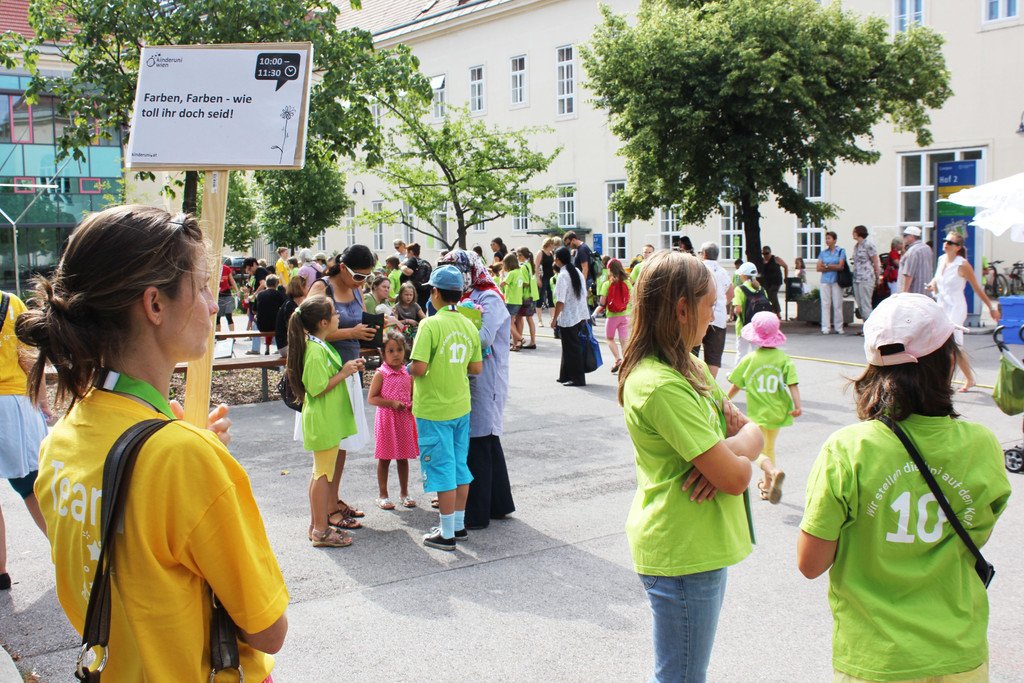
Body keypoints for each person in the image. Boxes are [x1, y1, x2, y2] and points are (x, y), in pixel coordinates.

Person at [16, 205, 288, 678]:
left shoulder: (62, 436)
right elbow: (268, 630)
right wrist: (202, 462)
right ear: (155, 305)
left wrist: (188, 451)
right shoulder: (182, 458)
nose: (211, 304)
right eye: (200, 287)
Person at [797, 293, 1011, 683]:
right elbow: (977, 531)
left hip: (877, 658)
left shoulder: (848, 449)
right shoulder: (982, 445)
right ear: (949, 361)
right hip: (959, 651)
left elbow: (811, 564)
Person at [619, 250, 763, 683]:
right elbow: (735, 477)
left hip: (697, 544)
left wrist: (727, 448)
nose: (717, 316)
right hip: (683, 549)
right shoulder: (661, 384)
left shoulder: (690, 364)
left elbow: (753, 432)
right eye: (711, 305)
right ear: (682, 309)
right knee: (681, 677)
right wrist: (730, 457)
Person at [439, 250, 516, 530]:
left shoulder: (489, 298)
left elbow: (484, 338)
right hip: (468, 377)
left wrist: (452, 327)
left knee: (480, 439)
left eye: (455, 270)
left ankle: (476, 510)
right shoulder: (465, 297)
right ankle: (498, 503)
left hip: (487, 378)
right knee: (485, 441)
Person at [409, 265, 484, 550]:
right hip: (460, 405)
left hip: (434, 408)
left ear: (435, 293)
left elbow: (419, 367)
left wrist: (405, 368)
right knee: (459, 466)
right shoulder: (468, 324)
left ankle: (447, 533)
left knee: (441, 468)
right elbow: (476, 367)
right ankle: (458, 525)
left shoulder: (429, 324)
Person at [306, 245, 380, 528]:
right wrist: (351, 332)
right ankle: (325, 511)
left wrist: (374, 330)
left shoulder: (357, 290)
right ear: (342, 268)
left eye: (366, 277)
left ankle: (333, 499)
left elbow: (360, 324)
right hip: (328, 373)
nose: (362, 282)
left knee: (343, 443)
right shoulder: (321, 287)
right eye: (358, 276)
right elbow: (307, 329)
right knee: (330, 445)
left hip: (350, 369)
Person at [286, 296, 364, 547]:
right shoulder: (316, 350)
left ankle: (316, 525)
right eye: (334, 313)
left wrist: (348, 368)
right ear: (323, 322)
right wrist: (344, 372)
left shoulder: (318, 345)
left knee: (320, 473)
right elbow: (317, 388)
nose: (339, 316)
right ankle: (321, 530)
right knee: (322, 475)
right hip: (324, 420)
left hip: (327, 420)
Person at [1, 290, 49, 591]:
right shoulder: (9, 304)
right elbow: (29, 359)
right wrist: (42, 401)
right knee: (30, 484)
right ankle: (65, 550)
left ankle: (0, 572)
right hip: (13, 405)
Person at [726, 312, 800, 504]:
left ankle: (773, 472)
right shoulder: (783, 359)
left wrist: (725, 400)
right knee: (769, 447)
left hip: (757, 414)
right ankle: (767, 485)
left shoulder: (750, 359)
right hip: (777, 412)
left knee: (756, 451)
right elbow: (792, 383)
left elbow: (737, 384)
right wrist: (797, 406)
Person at [927, 229, 1001, 393]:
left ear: (958, 247)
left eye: (950, 242)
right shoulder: (941, 259)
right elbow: (937, 278)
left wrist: (991, 308)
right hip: (942, 306)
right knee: (954, 347)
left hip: (956, 308)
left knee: (951, 346)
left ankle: (944, 384)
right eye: (945, 241)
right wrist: (933, 284)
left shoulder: (963, 265)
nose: (946, 244)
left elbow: (977, 288)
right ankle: (969, 379)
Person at [367, 331, 419, 510]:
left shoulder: (408, 373)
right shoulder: (381, 374)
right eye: (390, 351)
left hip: (404, 420)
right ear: (383, 353)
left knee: (403, 458)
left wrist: (412, 404)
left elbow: (413, 395)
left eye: (399, 350)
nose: (396, 354)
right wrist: (391, 403)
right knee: (385, 458)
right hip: (387, 421)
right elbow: (372, 398)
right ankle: (383, 495)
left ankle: (404, 493)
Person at [550, 246, 590, 387]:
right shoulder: (576, 271)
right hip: (579, 314)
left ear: (558, 260)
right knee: (569, 347)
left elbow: (560, 301)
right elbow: (584, 294)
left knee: (571, 348)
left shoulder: (562, 275)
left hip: (568, 316)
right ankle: (565, 375)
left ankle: (577, 378)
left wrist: (554, 318)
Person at [695, 242, 733, 378]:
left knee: (692, 352)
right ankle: (710, 385)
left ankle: (693, 383)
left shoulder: (697, 269)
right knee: (714, 356)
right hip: (719, 319)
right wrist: (720, 305)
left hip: (697, 317)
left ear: (704, 254)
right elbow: (731, 293)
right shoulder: (723, 271)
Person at [595, 258, 632, 373]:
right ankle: (627, 362)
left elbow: (602, 302)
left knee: (610, 338)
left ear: (609, 269)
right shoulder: (627, 282)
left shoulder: (607, 284)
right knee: (624, 340)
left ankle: (617, 359)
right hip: (625, 315)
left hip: (612, 315)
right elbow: (632, 297)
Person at [731, 262, 765, 365]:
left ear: (743, 275)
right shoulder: (761, 289)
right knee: (757, 354)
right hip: (758, 328)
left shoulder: (739, 289)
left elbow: (738, 309)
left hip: (743, 327)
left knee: (741, 354)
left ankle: (738, 374)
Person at [816, 231, 847, 335]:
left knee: (837, 304)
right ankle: (825, 326)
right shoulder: (823, 253)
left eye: (829, 238)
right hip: (825, 280)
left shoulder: (840, 251)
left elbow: (840, 266)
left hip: (836, 280)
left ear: (834, 240)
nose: (827, 240)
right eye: (826, 238)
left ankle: (839, 327)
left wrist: (826, 266)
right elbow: (818, 267)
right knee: (825, 304)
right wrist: (833, 266)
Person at [851, 225, 881, 324]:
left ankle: (870, 327)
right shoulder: (856, 246)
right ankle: (865, 325)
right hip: (857, 278)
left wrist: (878, 277)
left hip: (866, 277)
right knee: (860, 304)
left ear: (859, 233)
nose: (853, 234)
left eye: (854, 231)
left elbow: (875, 261)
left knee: (866, 304)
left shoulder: (868, 245)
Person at [252, 274, 287, 355]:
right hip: (275, 326)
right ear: (276, 284)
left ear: (266, 283)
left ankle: (256, 348)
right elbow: (285, 308)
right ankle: (279, 347)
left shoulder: (259, 294)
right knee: (276, 318)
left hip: (261, 326)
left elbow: (254, 311)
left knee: (256, 320)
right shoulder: (279, 294)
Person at [275, 276, 306, 357]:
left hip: (291, 343)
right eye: (306, 286)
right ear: (301, 288)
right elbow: (293, 329)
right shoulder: (290, 305)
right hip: (286, 346)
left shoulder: (293, 303)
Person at [898, 226, 933, 295]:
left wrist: (904, 293)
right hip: (926, 291)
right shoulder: (927, 248)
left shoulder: (912, 251)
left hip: (914, 293)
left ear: (912, 236)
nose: (903, 238)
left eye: (905, 235)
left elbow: (908, 274)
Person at [516, 247, 539, 349]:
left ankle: (519, 340)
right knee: (529, 319)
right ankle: (533, 341)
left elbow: (525, 282)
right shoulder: (530, 264)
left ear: (522, 255)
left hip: (526, 296)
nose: (517, 257)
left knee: (519, 317)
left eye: (518, 255)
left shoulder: (523, 267)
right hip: (533, 294)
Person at [501, 253, 525, 351]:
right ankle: (515, 344)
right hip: (518, 300)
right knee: (512, 322)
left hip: (511, 300)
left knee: (508, 323)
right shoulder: (520, 272)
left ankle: (520, 339)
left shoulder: (511, 273)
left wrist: (502, 276)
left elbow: (502, 284)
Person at [401, 242, 432, 310]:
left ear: (411, 252)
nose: (406, 256)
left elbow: (409, 272)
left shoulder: (412, 259)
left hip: (413, 294)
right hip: (425, 293)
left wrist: (401, 266)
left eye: (407, 253)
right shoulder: (426, 263)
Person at [758, 245, 788, 315]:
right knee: (767, 296)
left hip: (776, 281)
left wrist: (786, 277)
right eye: (763, 254)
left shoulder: (776, 259)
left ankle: (778, 312)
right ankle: (772, 311)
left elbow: (785, 266)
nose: (765, 255)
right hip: (767, 282)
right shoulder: (762, 261)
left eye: (767, 253)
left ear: (770, 252)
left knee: (772, 294)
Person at [535, 237, 558, 326]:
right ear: (549, 244)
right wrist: (538, 279)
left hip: (550, 278)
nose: (553, 246)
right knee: (540, 298)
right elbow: (536, 267)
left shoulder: (551, 253)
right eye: (552, 244)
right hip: (543, 278)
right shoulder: (540, 253)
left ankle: (552, 319)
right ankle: (540, 320)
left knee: (551, 298)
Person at [216, 258, 240, 332]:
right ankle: (218, 336)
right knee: (217, 317)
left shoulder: (226, 268)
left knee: (228, 315)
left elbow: (232, 280)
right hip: (217, 295)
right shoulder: (213, 269)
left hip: (227, 294)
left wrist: (237, 291)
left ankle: (232, 335)